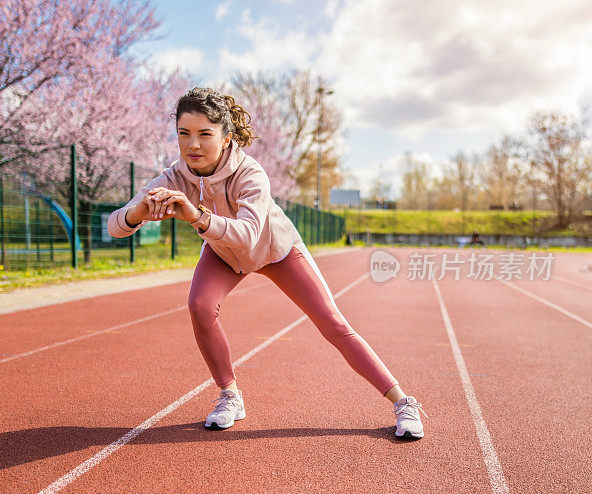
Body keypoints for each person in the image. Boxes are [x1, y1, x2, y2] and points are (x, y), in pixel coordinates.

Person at [107, 87, 428, 439]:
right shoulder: (173, 177)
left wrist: (196, 215)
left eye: (204, 135)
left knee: (333, 324)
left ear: (226, 137)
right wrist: (136, 212)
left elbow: (247, 236)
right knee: (199, 305)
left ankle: (403, 402)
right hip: (223, 254)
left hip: (276, 251)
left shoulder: (250, 173)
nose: (193, 145)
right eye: (184, 134)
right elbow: (114, 226)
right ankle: (230, 396)